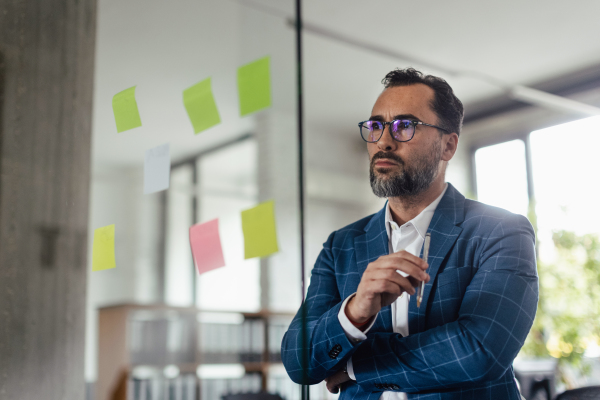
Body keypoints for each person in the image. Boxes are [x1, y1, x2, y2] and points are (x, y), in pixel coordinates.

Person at [281, 68, 538, 399]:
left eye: (404, 126)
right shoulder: (340, 246)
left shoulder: (501, 232)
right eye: (376, 126)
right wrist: (355, 313)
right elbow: (298, 363)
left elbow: (477, 351)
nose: (384, 141)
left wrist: (352, 367)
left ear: (448, 145)